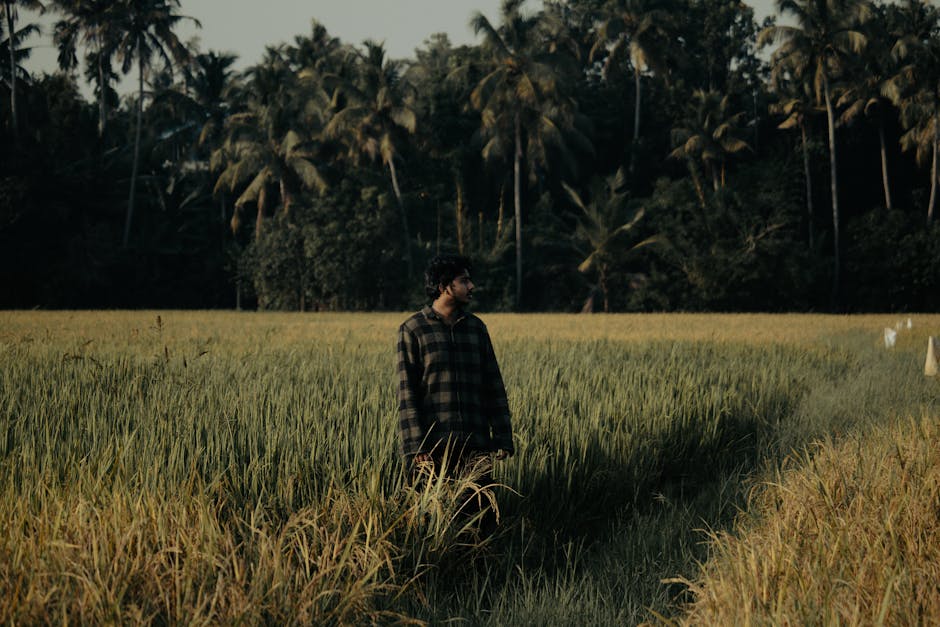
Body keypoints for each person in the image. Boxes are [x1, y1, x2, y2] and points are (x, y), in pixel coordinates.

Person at [397, 254, 514, 536]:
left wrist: (502, 436)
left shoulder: (476, 328)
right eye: (464, 281)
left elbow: (493, 386)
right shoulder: (414, 330)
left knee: (481, 520)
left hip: (475, 442)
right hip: (433, 447)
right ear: (443, 286)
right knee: (431, 521)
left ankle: (482, 573)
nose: (471, 286)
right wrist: (415, 446)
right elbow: (407, 392)